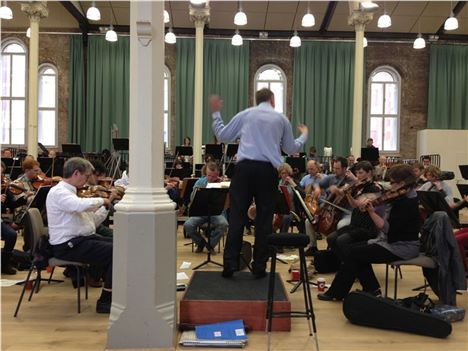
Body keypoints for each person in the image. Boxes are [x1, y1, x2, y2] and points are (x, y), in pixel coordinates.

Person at [209, 88, 308, 278]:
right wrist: (303, 135)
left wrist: (216, 112)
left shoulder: (246, 114)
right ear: (272, 100)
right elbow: (289, 148)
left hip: (244, 169)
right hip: (267, 172)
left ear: (257, 100)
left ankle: (230, 264)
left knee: (237, 217)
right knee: (264, 220)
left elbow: (223, 136)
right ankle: (259, 266)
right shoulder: (281, 119)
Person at [318, 164, 421, 301]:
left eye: (393, 182)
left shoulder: (406, 203)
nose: (390, 186)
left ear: (402, 183)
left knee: (354, 253)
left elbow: (386, 228)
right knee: (354, 251)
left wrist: (371, 212)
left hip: (401, 247)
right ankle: (371, 289)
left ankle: (340, 292)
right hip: (391, 241)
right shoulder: (403, 197)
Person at [46, 157, 115, 313]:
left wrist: (107, 204)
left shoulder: (73, 194)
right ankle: (105, 301)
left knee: (120, 246)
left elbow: (92, 223)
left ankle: (108, 286)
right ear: (76, 173)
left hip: (81, 240)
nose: (88, 180)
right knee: (116, 252)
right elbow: (78, 205)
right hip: (68, 245)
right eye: (86, 176)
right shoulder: (59, 192)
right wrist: (102, 200)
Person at [184, 162, 228, 254]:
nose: (211, 178)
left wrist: (225, 186)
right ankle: (200, 243)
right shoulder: (200, 182)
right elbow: (192, 199)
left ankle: (210, 245)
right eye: (209, 175)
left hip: (216, 213)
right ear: (205, 173)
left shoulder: (222, 183)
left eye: (214, 176)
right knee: (188, 225)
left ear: (218, 174)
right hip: (200, 212)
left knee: (223, 224)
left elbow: (227, 202)